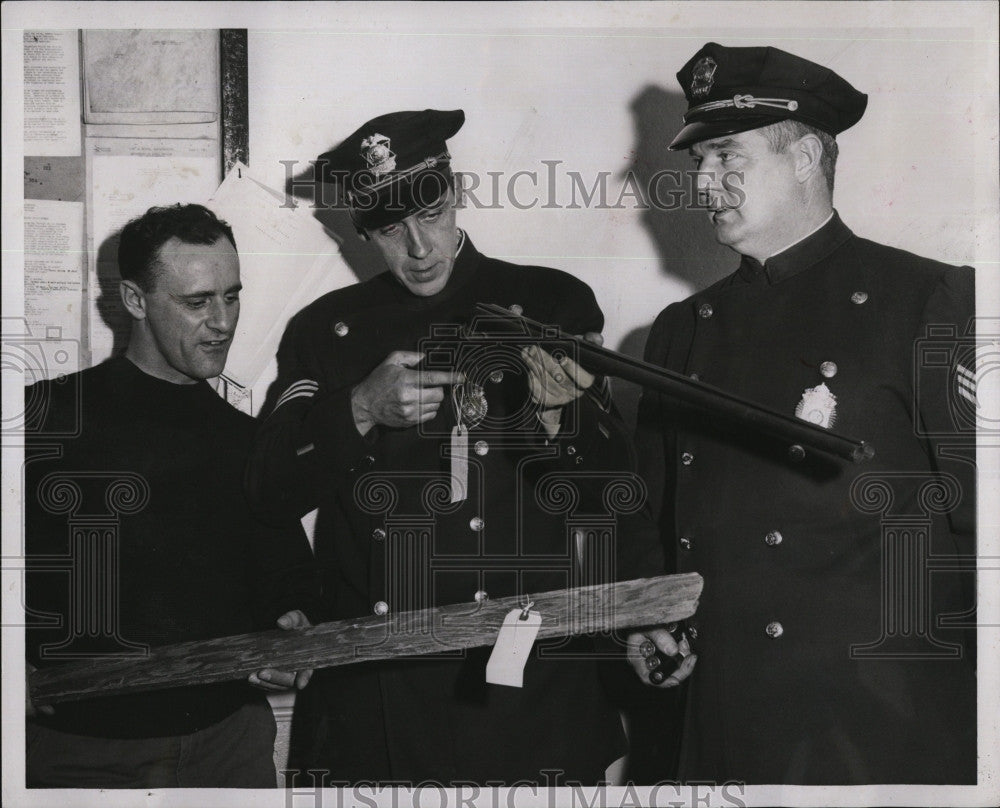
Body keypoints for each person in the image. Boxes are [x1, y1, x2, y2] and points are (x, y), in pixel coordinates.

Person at [247, 109, 676, 786]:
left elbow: (617, 491)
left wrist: (562, 421)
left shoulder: (549, 302)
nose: (418, 248)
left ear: (456, 192)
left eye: (432, 214)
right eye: (390, 230)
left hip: (530, 690)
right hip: (376, 694)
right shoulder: (327, 331)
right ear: (364, 230)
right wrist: (359, 407)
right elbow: (268, 491)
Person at [634, 43, 977, 784]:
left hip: (877, 729)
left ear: (806, 159)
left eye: (727, 157)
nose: (704, 183)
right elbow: (652, 520)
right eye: (698, 163)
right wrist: (648, 617)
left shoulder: (926, 301)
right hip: (722, 722)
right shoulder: (680, 328)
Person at [24, 204, 322, 788]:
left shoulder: (250, 439)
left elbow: (289, 585)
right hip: (83, 755)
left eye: (231, 296)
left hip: (228, 747)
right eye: (197, 302)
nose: (222, 321)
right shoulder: (45, 417)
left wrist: (293, 635)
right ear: (135, 301)